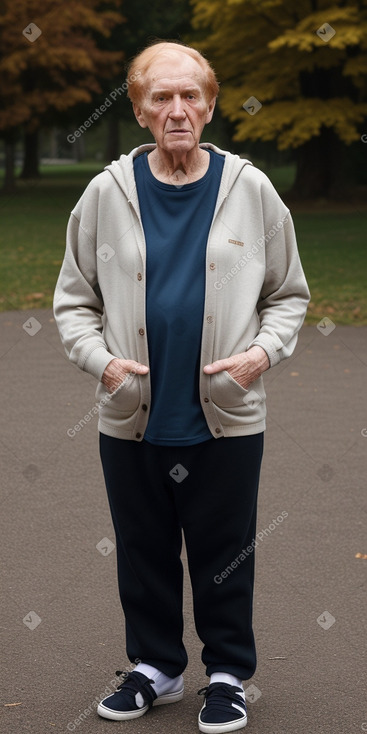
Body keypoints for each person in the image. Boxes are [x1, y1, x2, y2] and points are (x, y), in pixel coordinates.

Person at [54, 39, 310, 733]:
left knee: (224, 552)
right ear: (137, 110)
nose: (177, 109)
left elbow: (287, 294)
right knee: (141, 550)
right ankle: (156, 668)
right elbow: (74, 300)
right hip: (130, 414)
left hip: (225, 416)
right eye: (160, 97)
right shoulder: (105, 192)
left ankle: (226, 674)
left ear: (210, 104)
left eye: (190, 95)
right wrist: (99, 361)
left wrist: (261, 352)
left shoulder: (248, 188)